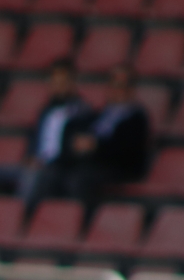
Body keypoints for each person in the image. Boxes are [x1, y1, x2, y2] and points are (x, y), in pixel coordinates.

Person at [0, 61, 89, 212]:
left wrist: (46, 162)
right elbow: (35, 140)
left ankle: (16, 218)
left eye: (63, 81)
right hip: (32, 165)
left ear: (72, 82)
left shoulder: (82, 112)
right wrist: (30, 156)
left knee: (32, 177)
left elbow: (75, 148)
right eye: (54, 81)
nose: (58, 85)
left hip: (55, 169)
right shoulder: (45, 111)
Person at [62, 66, 152, 207]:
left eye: (121, 86)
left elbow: (128, 150)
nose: (116, 90)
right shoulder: (100, 115)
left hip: (118, 169)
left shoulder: (136, 118)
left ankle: (84, 220)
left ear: (131, 89)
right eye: (113, 85)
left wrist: (96, 146)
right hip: (92, 164)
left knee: (80, 179)